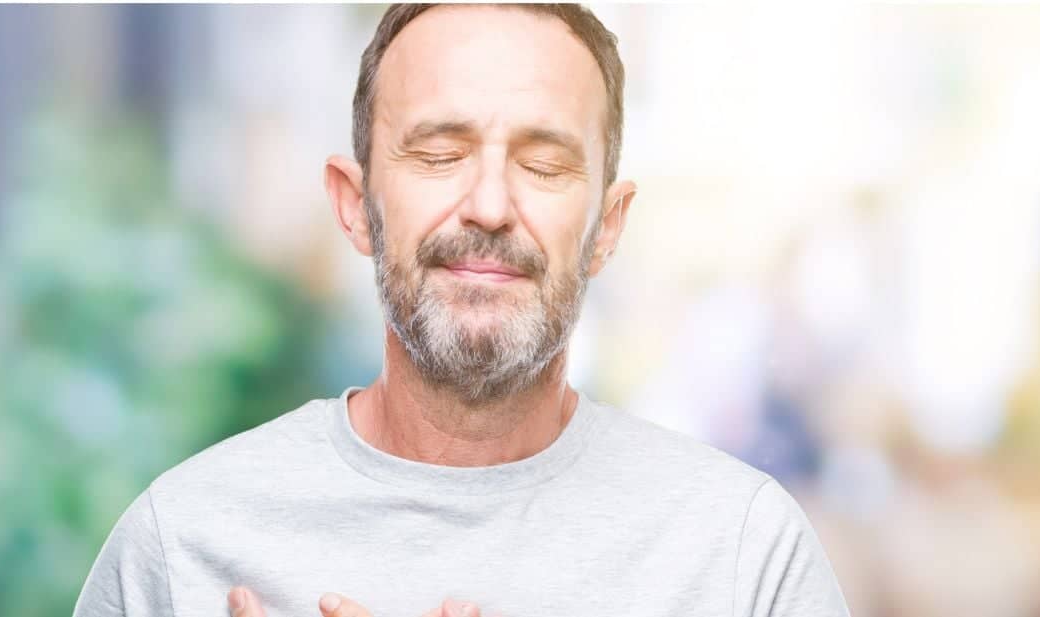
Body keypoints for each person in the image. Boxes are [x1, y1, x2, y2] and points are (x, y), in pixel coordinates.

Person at [72, 4, 851, 617]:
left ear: (606, 227)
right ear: (355, 205)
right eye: (440, 154)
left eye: (543, 164)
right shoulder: (180, 547)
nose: (487, 206)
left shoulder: (743, 557)